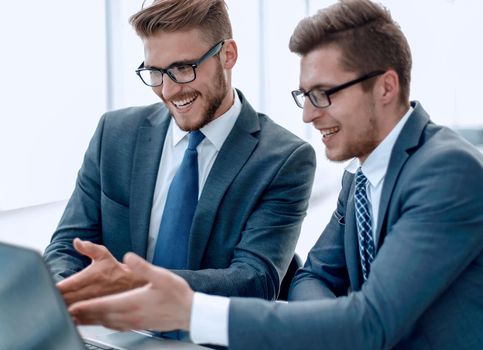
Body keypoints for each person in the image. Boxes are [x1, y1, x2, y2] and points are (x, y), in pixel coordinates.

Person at [68, 0, 483, 349]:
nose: (307, 114)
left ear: (385, 87)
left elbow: (371, 323)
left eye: (323, 94)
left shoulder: (448, 171)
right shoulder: (360, 174)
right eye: (304, 96)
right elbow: (313, 276)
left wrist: (191, 310)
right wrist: (333, 324)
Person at [43, 0, 315, 307]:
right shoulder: (114, 134)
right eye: (155, 72)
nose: (169, 91)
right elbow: (66, 246)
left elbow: (255, 280)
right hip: (113, 333)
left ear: (228, 55)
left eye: (183, 68)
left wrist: (135, 282)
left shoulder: (284, 159)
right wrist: (64, 296)